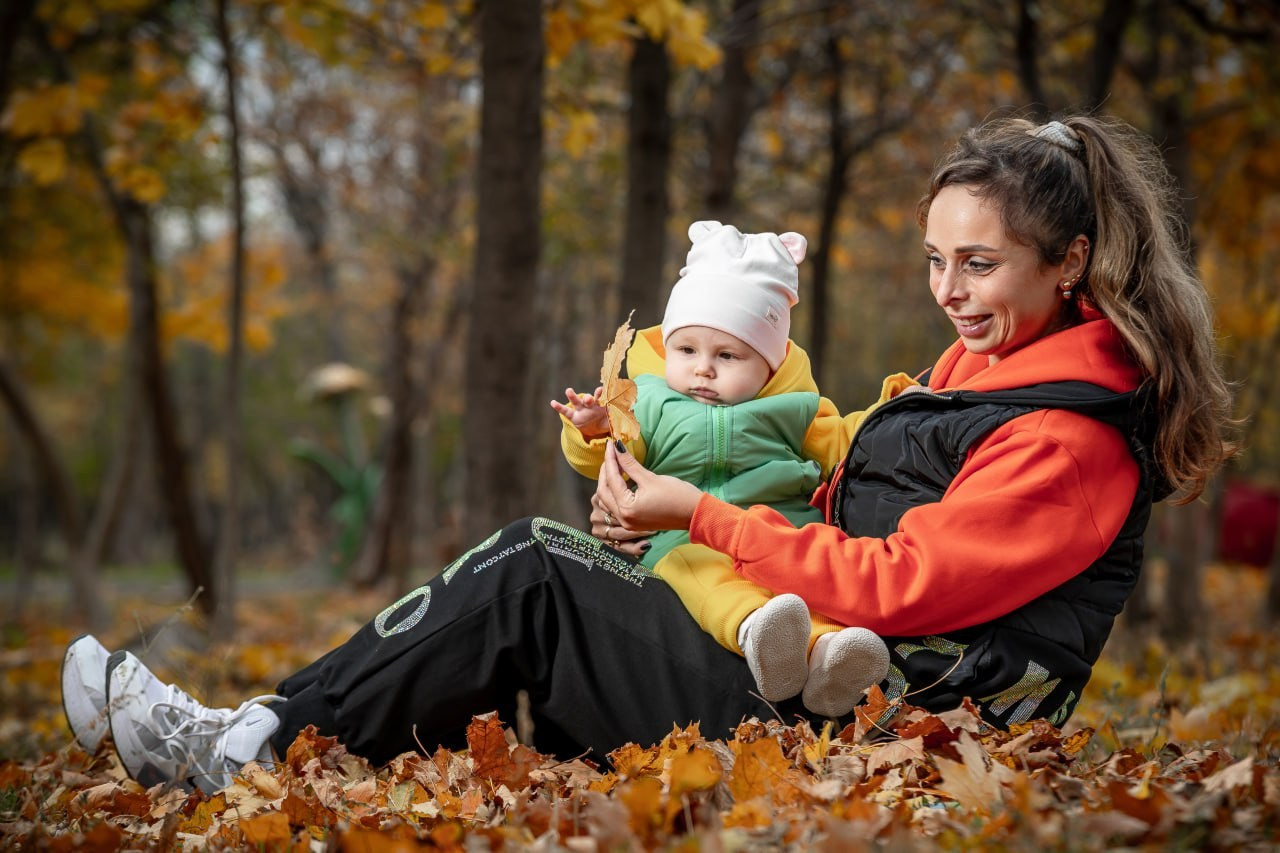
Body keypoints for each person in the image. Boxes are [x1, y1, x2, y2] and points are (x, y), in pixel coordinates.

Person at [61, 113, 1235, 797]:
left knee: (530, 567)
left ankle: (241, 745)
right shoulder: (980, 382)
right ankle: (276, 738)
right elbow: (838, 510)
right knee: (551, 572)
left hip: (873, 724)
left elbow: (902, 583)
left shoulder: (1066, 435)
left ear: (1067, 261)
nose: (947, 291)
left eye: (977, 265)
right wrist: (669, 495)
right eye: (935, 261)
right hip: (823, 680)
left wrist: (700, 517)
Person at [551, 220, 897, 717]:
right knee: (705, 574)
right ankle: (756, 630)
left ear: (769, 365)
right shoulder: (647, 402)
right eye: (686, 350)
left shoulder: (797, 409)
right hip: (682, 536)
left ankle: (830, 660)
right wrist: (591, 428)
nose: (703, 368)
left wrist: (892, 407)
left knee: (808, 581)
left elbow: (850, 442)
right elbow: (606, 460)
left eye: (728, 355)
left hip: (780, 532)